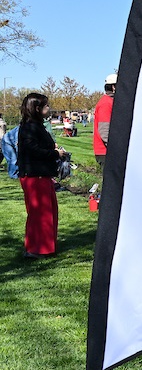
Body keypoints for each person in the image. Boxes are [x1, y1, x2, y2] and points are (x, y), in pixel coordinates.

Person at [17, 93, 66, 258]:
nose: (48, 108)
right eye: (46, 106)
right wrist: (54, 153)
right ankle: (36, 249)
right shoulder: (30, 127)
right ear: (37, 108)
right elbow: (33, 150)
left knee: (47, 211)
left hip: (40, 174)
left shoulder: (35, 125)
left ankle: (42, 247)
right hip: (34, 175)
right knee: (40, 213)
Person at [93, 73, 115, 175]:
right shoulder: (106, 103)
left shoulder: (110, 101)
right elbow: (104, 130)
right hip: (105, 152)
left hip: (108, 151)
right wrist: (116, 147)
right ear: (113, 87)